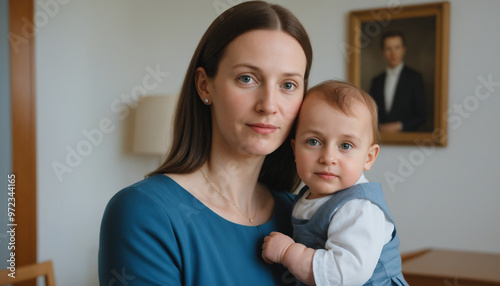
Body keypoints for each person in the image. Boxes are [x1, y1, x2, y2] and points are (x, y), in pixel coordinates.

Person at [98, 1, 313, 285]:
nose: (269, 105)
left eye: (288, 85)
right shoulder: (144, 213)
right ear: (204, 85)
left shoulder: (300, 214)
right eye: (247, 78)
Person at [261, 80, 408, 286]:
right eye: (314, 142)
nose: (328, 157)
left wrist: (288, 252)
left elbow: (345, 274)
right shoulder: (306, 197)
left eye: (345, 145)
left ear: (368, 157)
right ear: (295, 149)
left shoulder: (359, 208)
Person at [369, 30, 426, 132]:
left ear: (404, 49)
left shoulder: (414, 78)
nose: (393, 53)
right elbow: (370, 113)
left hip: (407, 141)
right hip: (382, 140)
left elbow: (422, 115)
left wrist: (399, 126)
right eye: (388, 48)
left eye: (397, 47)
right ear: (382, 51)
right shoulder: (377, 81)